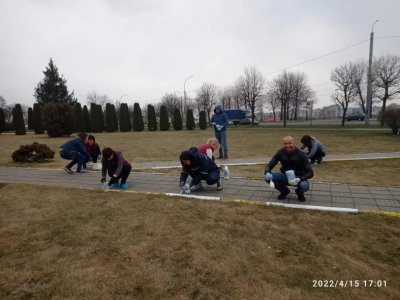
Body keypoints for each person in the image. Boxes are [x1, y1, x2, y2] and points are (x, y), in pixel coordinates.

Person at [264, 136, 313, 202]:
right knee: (268, 178)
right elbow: (269, 165)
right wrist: (267, 172)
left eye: (290, 143)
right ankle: (284, 191)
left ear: (294, 143)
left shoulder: (302, 154)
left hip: (299, 177)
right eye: (285, 144)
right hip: (285, 176)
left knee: (304, 186)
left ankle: (299, 193)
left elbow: (310, 172)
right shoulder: (280, 152)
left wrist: (300, 178)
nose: (287, 146)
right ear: (283, 144)